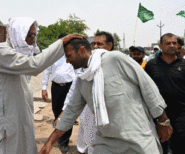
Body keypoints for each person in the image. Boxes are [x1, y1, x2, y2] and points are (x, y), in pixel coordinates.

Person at [40, 38, 172, 154]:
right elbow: (70, 112)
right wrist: (49, 143)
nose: (68, 61)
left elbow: (148, 87)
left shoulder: (116, 59)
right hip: (107, 142)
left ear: (81, 50)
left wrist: (163, 121)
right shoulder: (82, 80)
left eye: (69, 56)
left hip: (139, 138)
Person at [0, 17, 83, 154]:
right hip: (5, 122)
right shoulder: (0, 51)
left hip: (19, 120)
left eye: (34, 36)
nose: (32, 40)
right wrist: (60, 44)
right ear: (18, 33)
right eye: (29, 35)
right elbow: (36, 65)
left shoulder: (19, 55)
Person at [145, 33, 185, 154]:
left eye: (174, 43)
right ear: (160, 45)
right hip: (157, 114)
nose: (172, 45)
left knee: (180, 147)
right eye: (168, 43)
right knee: (159, 147)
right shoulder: (151, 65)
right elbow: (144, 90)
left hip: (180, 113)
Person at [58, 31, 114, 154]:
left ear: (109, 46)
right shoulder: (85, 67)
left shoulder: (115, 66)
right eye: (94, 44)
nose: (95, 47)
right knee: (88, 140)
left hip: (108, 116)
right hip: (87, 113)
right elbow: (73, 91)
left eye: (100, 44)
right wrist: (63, 112)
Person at [41, 33, 75, 153]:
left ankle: (64, 141)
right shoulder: (53, 55)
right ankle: (59, 136)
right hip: (56, 87)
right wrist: (43, 87)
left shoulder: (73, 54)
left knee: (68, 114)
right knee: (57, 113)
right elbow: (46, 71)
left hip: (69, 87)